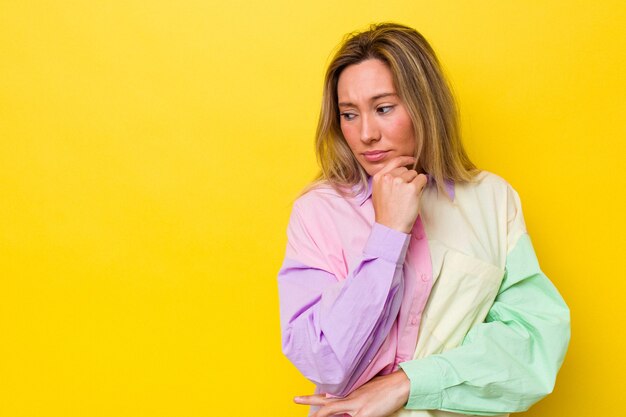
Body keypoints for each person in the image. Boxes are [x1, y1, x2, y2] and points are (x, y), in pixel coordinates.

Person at [277, 23, 570, 417]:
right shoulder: (319, 211)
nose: (365, 134)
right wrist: (387, 234)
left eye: (383, 109)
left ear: (424, 104)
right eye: (349, 114)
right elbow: (321, 359)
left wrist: (407, 384)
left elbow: (534, 345)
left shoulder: (492, 200)